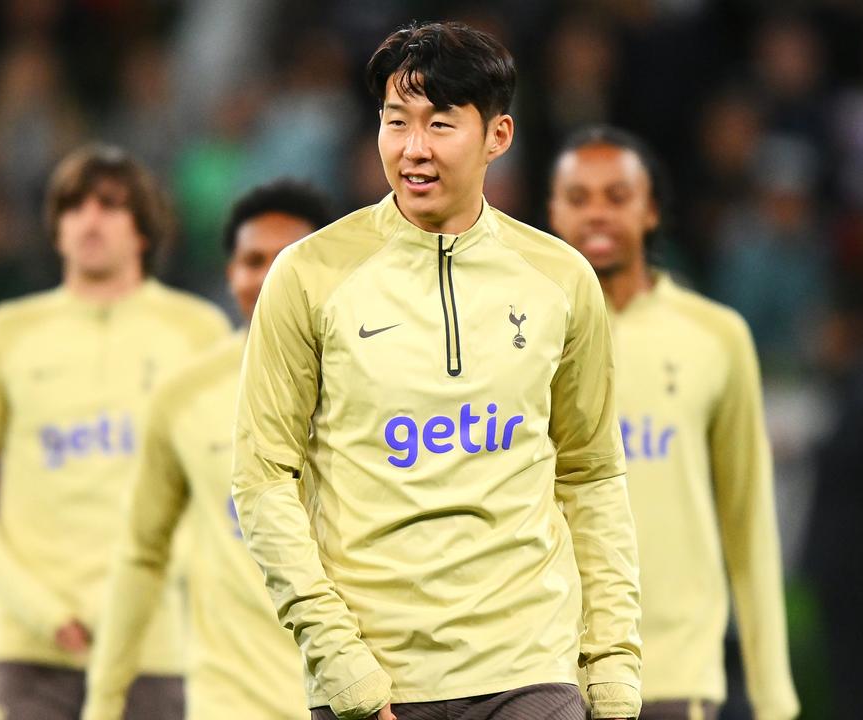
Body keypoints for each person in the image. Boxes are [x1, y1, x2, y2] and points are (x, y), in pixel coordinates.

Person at [232, 21, 642, 720]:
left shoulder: (561, 280)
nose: (413, 148)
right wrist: (340, 663)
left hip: (530, 668)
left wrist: (612, 667)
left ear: (498, 137)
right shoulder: (308, 275)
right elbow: (263, 476)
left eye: (441, 124)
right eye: (397, 122)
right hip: (379, 680)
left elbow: (591, 474)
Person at [0, 144, 230, 720]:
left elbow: (228, 481)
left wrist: (164, 584)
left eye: (110, 205)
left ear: (144, 229)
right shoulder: (8, 331)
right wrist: (37, 607)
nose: (89, 220)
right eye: (73, 207)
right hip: (30, 651)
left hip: (156, 648)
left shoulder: (198, 331)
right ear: (55, 230)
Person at [548, 125, 799, 720]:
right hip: (546, 673)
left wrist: (773, 693)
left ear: (652, 208)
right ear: (552, 213)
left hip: (672, 673)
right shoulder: (519, 337)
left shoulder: (716, 337)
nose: (598, 215)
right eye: (578, 199)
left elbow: (750, 523)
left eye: (617, 195)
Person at [82, 179, 334, 719]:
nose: (268, 277)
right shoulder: (184, 397)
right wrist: (103, 700)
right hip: (232, 700)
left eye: (288, 259)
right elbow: (141, 554)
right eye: (252, 259)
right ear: (230, 274)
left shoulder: (381, 389)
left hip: (350, 699)